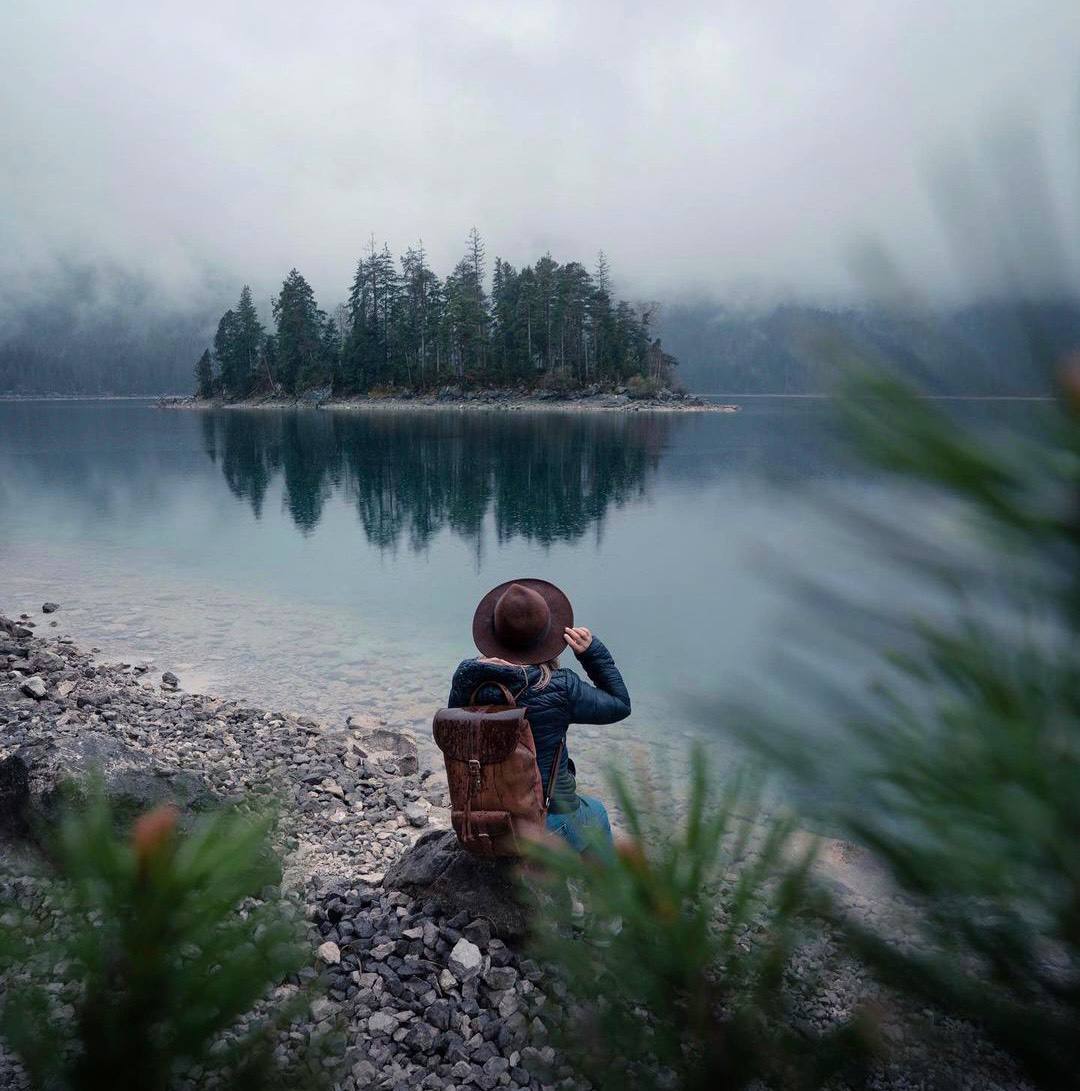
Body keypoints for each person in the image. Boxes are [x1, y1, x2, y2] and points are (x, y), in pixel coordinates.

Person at [448, 578, 631, 855]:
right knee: (597, 813)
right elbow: (619, 704)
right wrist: (592, 653)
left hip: (481, 821)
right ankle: (603, 894)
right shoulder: (559, 687)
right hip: (543, 824)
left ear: (494, 634)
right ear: (549, 637)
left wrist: (477, 670)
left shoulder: (467, 680)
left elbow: (453, 736)